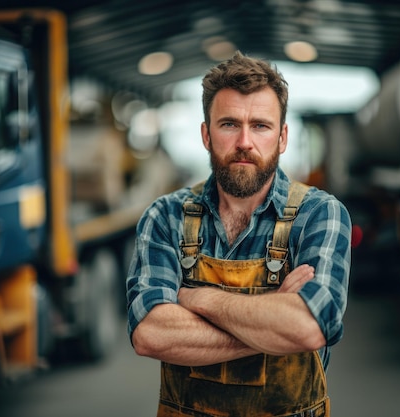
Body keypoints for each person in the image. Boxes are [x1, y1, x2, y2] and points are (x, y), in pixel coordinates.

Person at [126, 51, 351, 417]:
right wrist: (272, 321)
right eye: (229, 124)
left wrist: (199, 301)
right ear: (205, 134)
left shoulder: (319, 214)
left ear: (282, 138)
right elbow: (151, 334)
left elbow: (307, 328)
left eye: (260, 126)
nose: (245, 141)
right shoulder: (166, 216)